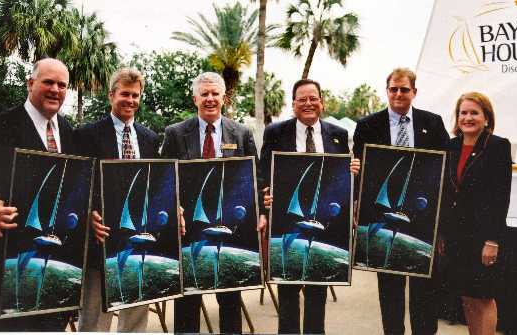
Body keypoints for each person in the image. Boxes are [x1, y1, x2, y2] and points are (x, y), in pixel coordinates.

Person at [259, 79, 360, 334]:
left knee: (317, 297)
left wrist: (352, 171)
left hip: (324, 227)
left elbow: (341, 181)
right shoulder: (275, 133)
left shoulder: (338, 135)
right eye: (302, 99)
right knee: (288, 298)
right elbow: (262, 174)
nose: (308, 104)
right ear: (293, 104)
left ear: (322, 102)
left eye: (313, 98)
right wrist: (265, 196)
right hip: (286, 225)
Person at [352, 68, 449, 335]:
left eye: (404, 89)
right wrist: (358, 204)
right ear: (387, 91)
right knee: (390, 290)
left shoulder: (434, 122)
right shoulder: (367, 126)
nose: (398, 94)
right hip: (384, 214)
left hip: (423, 218)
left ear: (414, 92)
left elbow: (444, 169)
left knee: (424, 293)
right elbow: (360, 174)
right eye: (393, 89)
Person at [161, 72, 257, 334]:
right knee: (187, 307)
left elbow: (255, 180)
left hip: (230, 235)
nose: (210, 99)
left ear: (224, 97)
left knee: (229, 303)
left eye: (215, 94)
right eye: (205, 94)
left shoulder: (242, 134)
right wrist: (174, 207)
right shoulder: (175, 133)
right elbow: (163, 180)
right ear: (195, 99)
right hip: (188, 233)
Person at [73, 67, 159, 332]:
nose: (130, 100)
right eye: (125, 94)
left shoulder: (149, 138)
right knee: (95, 318)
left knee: (135, 314)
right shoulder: (87, 134)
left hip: (137, 238)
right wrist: (87, 215)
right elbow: (77, 185)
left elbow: (153, 186)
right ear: (112, 95)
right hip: (101, 239)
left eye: (135, 95)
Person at [0, 58, 75, 331]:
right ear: (31, 84)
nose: (55, 90)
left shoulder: (68, 131)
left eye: (62, 85)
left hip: (53, 260)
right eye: (48, 82)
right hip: (6, 259)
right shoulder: (0, 125)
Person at [442, 92, 511, 335]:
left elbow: (501, 198)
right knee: (467, 296)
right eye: (463, 112)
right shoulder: (450, 146)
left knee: (483, 297)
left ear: (486, 118)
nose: (468, 117)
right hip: (456, 236)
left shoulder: (498, 146)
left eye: (474, 113)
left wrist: (492, 240)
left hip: (483, 237)